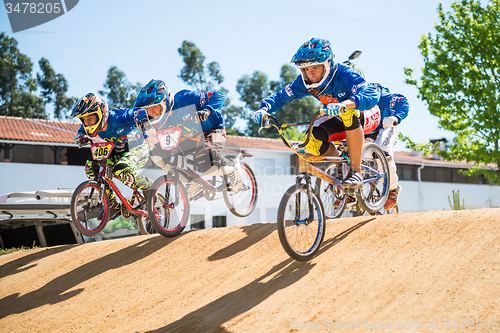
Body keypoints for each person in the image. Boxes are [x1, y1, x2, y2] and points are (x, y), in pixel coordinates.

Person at [251, 37, 380, 187]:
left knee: (348, 113)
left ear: (328, 65)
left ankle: (356, 172)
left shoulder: (344, 74)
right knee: (312, 141)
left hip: (367, 113)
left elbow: (371, 93)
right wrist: (264, 108)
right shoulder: (304, 82)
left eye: (315, 68)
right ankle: (341, 169)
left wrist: (346, 104)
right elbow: (280, 97)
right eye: (305, 69)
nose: (310, 74)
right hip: (338, 117)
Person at [133, 79, 243, 194]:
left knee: (206, 166)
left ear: (165, 102)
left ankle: (232, 166)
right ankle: (193, 181)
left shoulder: (184, 98)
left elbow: (218, 96)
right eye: (148, 110)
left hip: (212, 129)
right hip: (189, 138)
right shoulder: (157, 121)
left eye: (154, 107)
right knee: (157, 156)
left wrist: (206, 111)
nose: (152, 113)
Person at [71, 93, 152, 219]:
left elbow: (137, 112)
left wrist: (142, 120)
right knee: (91, 166)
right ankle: (112, 204)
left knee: (121, 169)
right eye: (84, 120)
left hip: (137, 147)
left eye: (90, 119)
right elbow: (82, 129)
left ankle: (149, 188)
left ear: (100, 114)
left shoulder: (118, 118)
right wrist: (80, 136)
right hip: (117, 151)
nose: (87, 123)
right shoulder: (87, 125)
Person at [343, 61, 409, 210]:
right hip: (362, 132)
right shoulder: (340, 97)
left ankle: (393, 189)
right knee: (344, 152)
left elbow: (401, 100)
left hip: (384, 127)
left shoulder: (375, 91)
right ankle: (351, 190)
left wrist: (396, 117)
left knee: (383, 151)